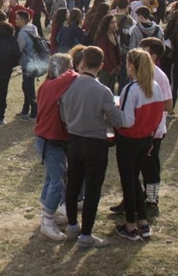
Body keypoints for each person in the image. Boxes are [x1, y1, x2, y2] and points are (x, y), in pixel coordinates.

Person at [59, 46, 125, 249]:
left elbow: (62, 114)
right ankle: (86, 235)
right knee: (93, 190)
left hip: (74, 140)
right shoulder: (103, 91)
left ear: (82, 63)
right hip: (95, 143)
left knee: (73, 184)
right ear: (101, 66)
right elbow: (119, 121)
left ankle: (72, 225)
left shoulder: (68, 85)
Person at [113, 49, 164, 241]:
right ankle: (142, 221)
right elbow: (158, 116)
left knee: (128, 181)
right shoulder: (155, 86)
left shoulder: (131, 89)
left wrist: (113, 113)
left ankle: (131, 225)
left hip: (129, 140)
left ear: (131, 66)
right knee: (134, 179)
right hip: (146, 138)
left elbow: (126, 121)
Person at [34, 53, 78, 241]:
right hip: (48, 139)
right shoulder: (53, 86)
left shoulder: (48, 85)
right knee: (58, 181)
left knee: (51, 178)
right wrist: (79, 71)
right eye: (71, 65)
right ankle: (47, 221)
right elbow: (72, 76)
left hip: (49, 138)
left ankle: (47, 212)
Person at [137, 38, 172, 212]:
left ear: (153, 56)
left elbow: (168, 105)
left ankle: (152, 198)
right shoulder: (138, 71)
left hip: (153, 131)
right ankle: (137, 197)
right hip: (139, 129)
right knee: (137, 166)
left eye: (143, 51)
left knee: (150, 166)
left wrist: (150, 118)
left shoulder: (159, 77)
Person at [15, 10, 45, 120]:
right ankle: (25, 110)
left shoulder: (22, 33)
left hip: (27, 64)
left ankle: (34, 113)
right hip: (35, 62)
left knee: (28, 88)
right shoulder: (33, 29)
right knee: (27, 87)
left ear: (22, 20)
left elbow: (18, 49)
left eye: (17, 19)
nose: (15, 21)